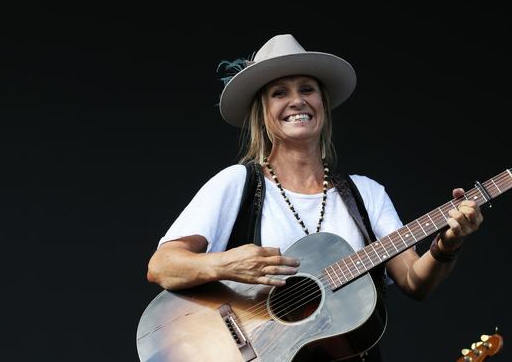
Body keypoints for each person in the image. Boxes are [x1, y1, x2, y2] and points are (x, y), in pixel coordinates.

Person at [146, 34, 483, 362]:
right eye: (280, 93)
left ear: (322, 102)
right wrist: (226, 264)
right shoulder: (237, 183)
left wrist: (447, 245)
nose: (297, 100)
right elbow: (162, 266)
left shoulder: (365, 194)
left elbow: (414, 281)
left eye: (307, 89)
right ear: (262, 112)